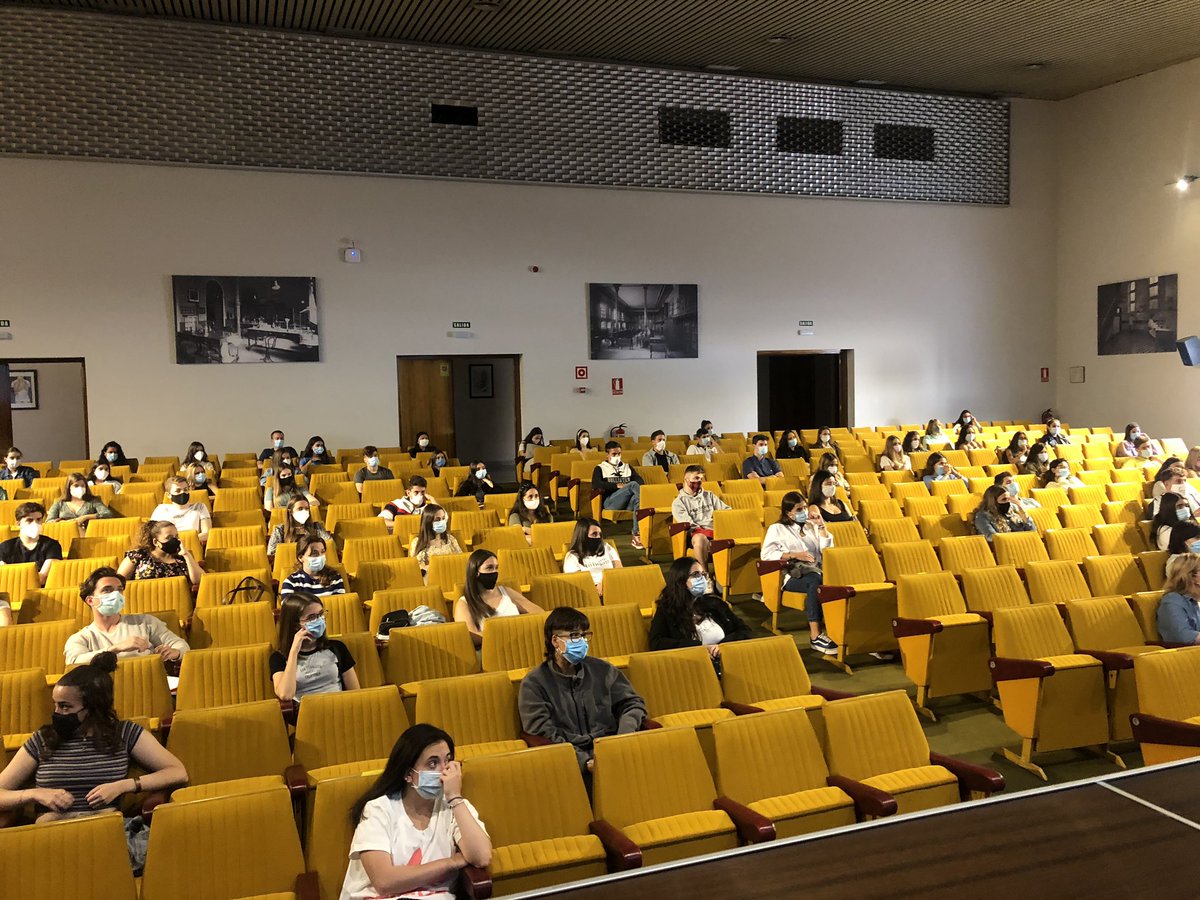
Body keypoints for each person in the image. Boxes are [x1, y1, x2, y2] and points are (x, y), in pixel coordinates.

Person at [0, 652, 187, 823]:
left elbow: (177, 772)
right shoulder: (42, 739)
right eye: (56, 705)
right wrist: (35, 794)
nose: (58, 713)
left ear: (92, 708)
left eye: (66, 707)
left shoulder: (123, 732)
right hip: (51, 837)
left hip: (104, 833)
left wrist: (123, 786)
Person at [340, 724, 491, 900]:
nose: (444, 772)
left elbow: (481, 857)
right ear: (408, 773)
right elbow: (384, 882)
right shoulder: (378, 809)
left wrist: (455, 797)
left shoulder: (454, 806)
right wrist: (451, 862)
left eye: (447, 761)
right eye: (433, 763)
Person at [518, 607, 647, 775]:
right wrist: (584, 761)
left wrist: (621, 740)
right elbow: (543, 732)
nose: (581, 641)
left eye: (583, 635)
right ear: (555, 641)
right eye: (574, 636)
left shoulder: (603, 670)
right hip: (568, 763)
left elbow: (632, 704)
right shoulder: (534, 683)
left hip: (613, 749)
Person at [65, 567, 190, 665]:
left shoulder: (145, 622)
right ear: (90, 600)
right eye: (107, 590)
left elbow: (182, 646)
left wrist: (176, 652)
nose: (116, 594)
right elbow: (73, 662)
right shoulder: (81, 638)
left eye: (119, 589)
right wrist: (116, 649)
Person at [761, 493, 836, 655]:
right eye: (799, 509)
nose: (804, 511)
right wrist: (794, 555)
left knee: (825, 578)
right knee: (816, 580)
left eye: (805, 507)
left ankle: (841, 631)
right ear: (789, 513)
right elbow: (766, 555)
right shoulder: (777, 529)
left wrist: (822, 526)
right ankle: (815, 635)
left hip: (818, 571)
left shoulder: (811, 526)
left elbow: (827, 552)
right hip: (792, 575)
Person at [648, 557, 751, 656]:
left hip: (725, 659)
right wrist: (699, 649)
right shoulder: (667, 610)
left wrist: (723, 646)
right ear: (681, 580)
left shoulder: (715, 603)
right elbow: (657, 643)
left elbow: (744, 630)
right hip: (692, 664)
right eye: (696, 575)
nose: (702, 579)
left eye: (703, 574)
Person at [270, 592, 360, 703]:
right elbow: (286, 695)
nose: (319, 620)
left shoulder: (337, 648)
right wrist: (293, 651)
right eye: (311, 617)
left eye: (321, 614)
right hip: (307, 715)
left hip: (339, 710)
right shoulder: (278, 658)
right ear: (294, 624)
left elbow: (355, 693)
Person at [453, 550, 543, 646]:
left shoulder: (507, 592)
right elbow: (471, 636)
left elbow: (539, 613)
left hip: (521, 644)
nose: (494, 572)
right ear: (475, 572)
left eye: (496, 568)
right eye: (489, 568)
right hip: (492, 650)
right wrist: (508, 635)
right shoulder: (464, 603)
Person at [671, 464, 731, 569]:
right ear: (686, 479)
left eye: (701, 478)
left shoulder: (709, 495)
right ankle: (704, 575)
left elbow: (726, 511)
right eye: (696, 478)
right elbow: (691, 526)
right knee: (699, 538)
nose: (699, 481)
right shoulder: (678, 502)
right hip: (696, 535)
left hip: (717, 532)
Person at [592, 441, 645, 550]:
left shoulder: (627, 467)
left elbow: (640, 480)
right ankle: (649, 503)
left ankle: (636, 534)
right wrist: (617, 486)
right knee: (633, 485)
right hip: (610, 502)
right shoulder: (600, 468)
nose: (617, 456)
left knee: (637, 497)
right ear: (607, 455)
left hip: (627, 502)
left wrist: (626, 487)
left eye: (619, 454)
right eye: (614, 454)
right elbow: (596, 484)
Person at [117, 520, 203, 585]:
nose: (174, 540)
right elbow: (119, 583)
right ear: (156, 542)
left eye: (176, 536)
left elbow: (200, 581)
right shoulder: (138, 556)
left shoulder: (182, 558)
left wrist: (187, 555)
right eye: (168, 537)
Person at [0, 502, 63, 586]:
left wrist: (15, 578)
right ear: (18, 524)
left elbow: (42, 579)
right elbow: (4, 578)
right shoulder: (4, 547)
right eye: (29, 520)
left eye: (39, 520)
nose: (35, 524)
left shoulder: (52, 545)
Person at [562, 518, 622, 596]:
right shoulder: (572, 556)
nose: (598, 537)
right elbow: (577, 582)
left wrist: (604, 584)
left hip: (612, 585)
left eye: (600, 534)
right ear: (583, 536)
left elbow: (619, 570)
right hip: (589, 592)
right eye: (594, 534)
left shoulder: (607, 547)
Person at [150, 476, 211, 544]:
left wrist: (182, 541)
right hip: (168, 547)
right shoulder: (161, 509)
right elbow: (152, 533)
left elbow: (207, 533)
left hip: (192, 544)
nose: (183, 492)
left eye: (185, 489)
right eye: (178, 491)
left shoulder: (199, 507)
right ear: (168, 495)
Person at [268, 496, 333, 559]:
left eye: (306, 508)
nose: (304, 511)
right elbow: (272, 553)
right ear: (290, 511)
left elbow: (330, 545)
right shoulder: (280, 530)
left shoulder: (316, 527)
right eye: (300, 509)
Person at [281, 534, 345, 597]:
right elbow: (288, 607)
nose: (320, 556)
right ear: (301, 558)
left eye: (323, 552)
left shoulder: (335, 577)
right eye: (314, 553)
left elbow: (340, 605)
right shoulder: (291, 583)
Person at [47, 474, 114, 534]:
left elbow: (108, 514)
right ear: (69, 487)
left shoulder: (93, 501)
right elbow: (49, 522)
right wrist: (68, 523)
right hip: (65, 534)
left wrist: (85, 517)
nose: (80, 488)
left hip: (88, 534)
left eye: (82, 486)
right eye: (76, 485)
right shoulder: (59, 503)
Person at [1157, 555, 1200, 645]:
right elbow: (1184, 636)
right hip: (1187, 654)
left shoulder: (1197, 598)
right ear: (1191, 577)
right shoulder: (1172, 601)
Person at [410, 504, 463, 573]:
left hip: (452, 574)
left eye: (443, 518)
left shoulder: (450, 539)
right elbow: (420, 568)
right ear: (428, 522)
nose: (441, 522)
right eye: (437, 520)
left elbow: (461, 559)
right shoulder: (418, 542)